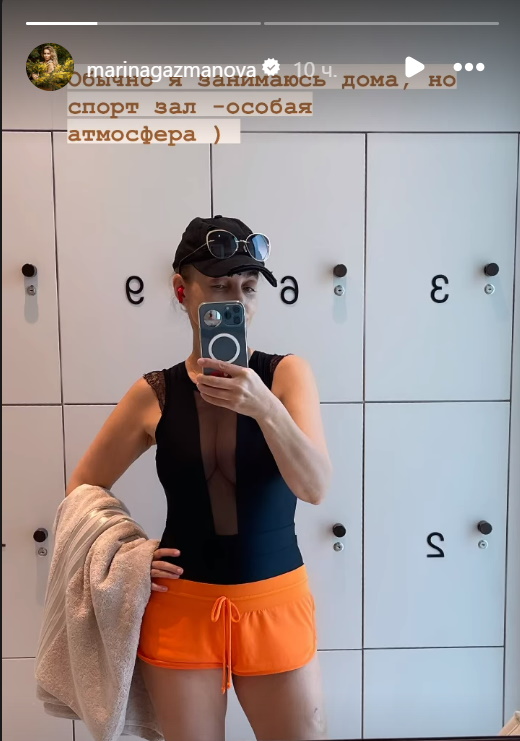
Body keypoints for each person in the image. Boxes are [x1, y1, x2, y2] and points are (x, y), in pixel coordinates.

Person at [65, 215, 333, 741]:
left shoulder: (285, 375)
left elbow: (316, 487)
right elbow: (84, 489)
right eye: (220, 286)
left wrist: (264, 407)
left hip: (275, 604)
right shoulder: (155, 392)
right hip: (181, 609)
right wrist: (130, 557)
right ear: (182, 291)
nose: (238, 301)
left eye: (248, 288)